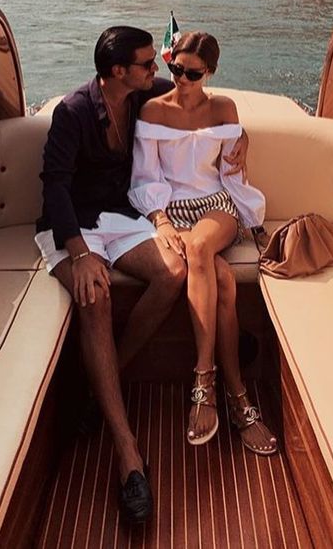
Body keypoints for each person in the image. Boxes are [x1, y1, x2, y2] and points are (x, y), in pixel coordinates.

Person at [34, 26, 248, 524]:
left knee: (173, 272)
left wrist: (242, 138)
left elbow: (199, 110)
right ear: (118, 71)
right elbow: (54, 187)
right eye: (151, 65)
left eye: (163, 64)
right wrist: (80, 252)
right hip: (74, 227)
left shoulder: (142, 95)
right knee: (96, 297)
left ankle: (108, 380)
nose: (161, 72)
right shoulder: (72, 112)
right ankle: (128, 453)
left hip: (120, 218)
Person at [128, 31, 277, 455]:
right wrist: (159, 220)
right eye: (175, 69)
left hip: (216, 207)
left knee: (198, 250)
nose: (182, 79)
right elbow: (146, 177)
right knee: (224, 282)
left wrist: (253, 221)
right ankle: (239, 397)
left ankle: (203, 379)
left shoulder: (224, 108)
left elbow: (232, 174)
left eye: (193, 73)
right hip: (171, 211)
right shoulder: (153, 110)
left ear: (210, 72)